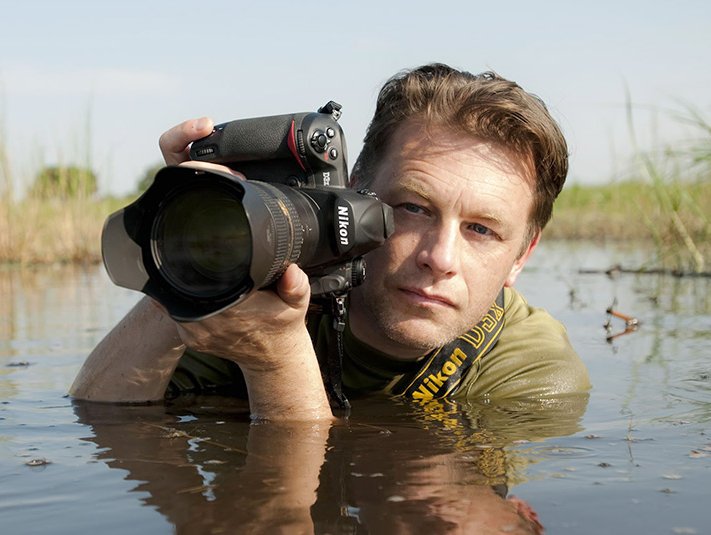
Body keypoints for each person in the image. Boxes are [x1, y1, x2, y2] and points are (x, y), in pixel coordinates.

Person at [69, 63, 590, 420]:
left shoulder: (534, 370)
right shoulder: (261, 294)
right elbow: (103, 416)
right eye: (413, 208)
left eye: (481, 230)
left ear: (522, 255)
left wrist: (276, 359)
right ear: (355, 191)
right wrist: (191, 259)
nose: (440, 258)